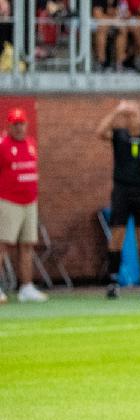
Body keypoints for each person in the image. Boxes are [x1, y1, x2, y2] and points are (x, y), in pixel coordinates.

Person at [96, 100, 140, 299]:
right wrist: (116, 112)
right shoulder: (119, 135)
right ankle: (113, 282)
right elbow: (100, 132)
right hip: (121, 191)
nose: (130, 119)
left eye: (133, 115)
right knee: (117, 234)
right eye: (127, 116)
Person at [0, 108, 47, 303]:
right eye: (15, 124)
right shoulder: (3, 145)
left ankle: (26, 286)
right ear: (9, 125)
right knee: (2, 244)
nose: (19, 128)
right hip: (8, 200)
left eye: (22, 123)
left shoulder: (30, 144)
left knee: (27, 244)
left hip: (29, 201)